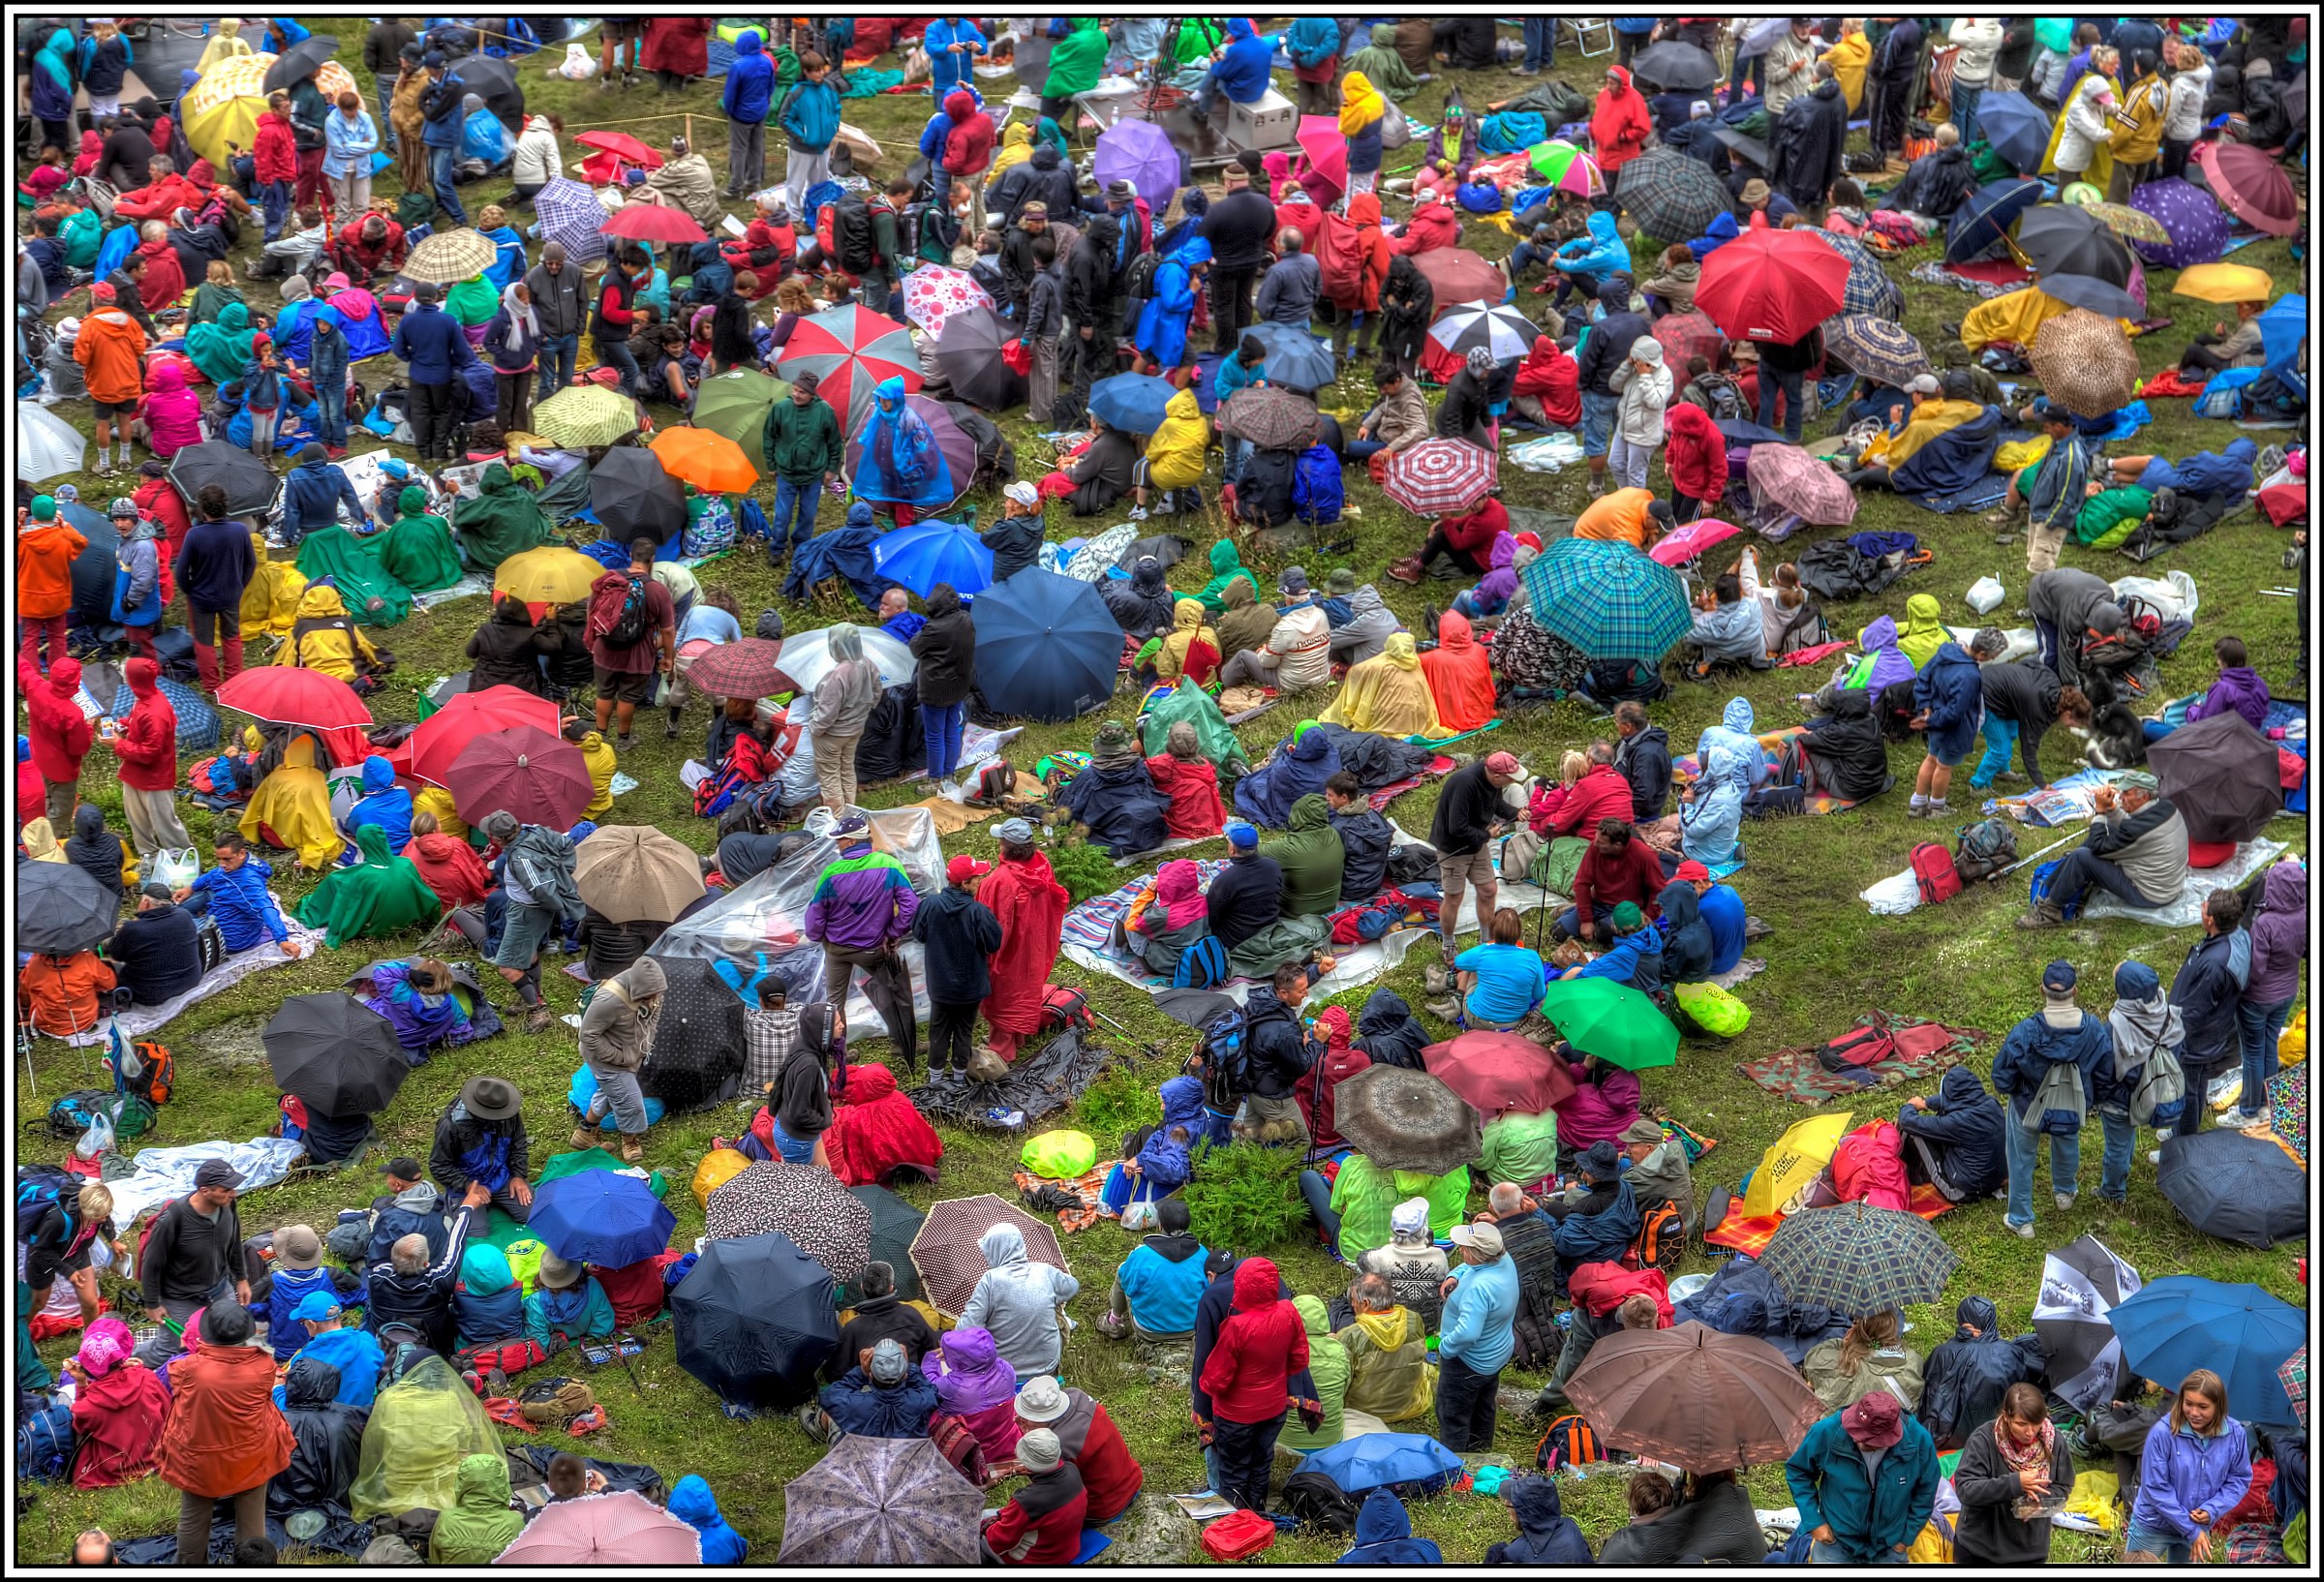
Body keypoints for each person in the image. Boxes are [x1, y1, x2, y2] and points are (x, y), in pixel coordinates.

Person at [158, 1304, 294, 1566]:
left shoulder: (189, 1368)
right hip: (251, 1452)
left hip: (199, 1458)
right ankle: (252, 1563)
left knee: (194, 1516)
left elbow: (175, 1376)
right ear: (246, 1332)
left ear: (208, 1334)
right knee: (252, 1513)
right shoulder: (263, 1365)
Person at [1990, 959, 2111, 1236]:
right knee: (2067, 1142)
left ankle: (2021, 1220)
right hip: (2071, 1103)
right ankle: (2065, 1193)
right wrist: (2091, 1099)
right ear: (2075, 991)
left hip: (2028, 1104)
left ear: (2041, 990)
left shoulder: (2026, 1031)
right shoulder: (2093, 1029)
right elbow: (2105, 1070)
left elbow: (2002, 1074)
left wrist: (2015, 1089)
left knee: (2021, 1158)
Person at [1198, 1256, 1316, 1511]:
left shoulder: (1236, 1326)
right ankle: (1258, 1513)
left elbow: (1216, 1379)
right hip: (1273, 1408)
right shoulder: (1289, 1311)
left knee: (1234, 1470)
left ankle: (1237, 1525)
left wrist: (1204, 1389)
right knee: (1262, 1462)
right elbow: (1299, 1359)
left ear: (1241, 1286)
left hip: (1236, 1415)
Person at [1786, 1390, 1941, 1567]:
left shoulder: (1918, 1441)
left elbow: (1927, 1490)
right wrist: (1813, 1521)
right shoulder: (1827, 1431)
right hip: (1836, 1543)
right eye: (1855, 1432)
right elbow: (1798, 1471)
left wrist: (1905, 1539)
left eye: (1868, 1441)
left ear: (1890, 1437)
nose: (1859, 1441)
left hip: (1889, 1546)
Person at [2016, 784, 2188, 928]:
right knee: (2106, 834)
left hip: (2150, 895)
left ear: (2143, 797)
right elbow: (2129, 827)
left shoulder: (2135, 831)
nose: (2121, 798)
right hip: (2170, 884)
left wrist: (2100, 811)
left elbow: (2098, 845)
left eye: (2126, 794)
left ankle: (2050, 913)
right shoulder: (2165, 807)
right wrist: (2111, 808)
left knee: (2082, 858)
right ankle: (2068, 871)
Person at [2125, 1369, 2251, 1563]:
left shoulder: (2235, 1434)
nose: (2194, 1412)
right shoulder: (2162, 1433)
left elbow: (2239, 1479)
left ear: (2219, 1406)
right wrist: (2191, 1530)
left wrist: (2212, 1509)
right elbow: (2155, 1488)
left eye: (2203, 1406)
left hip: (2197, 1527)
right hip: (2153, 1524)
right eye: (2189, 1403)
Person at [976, 820, 1070, 1068]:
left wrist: (985, 954)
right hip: (1035, 942)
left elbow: (993, 925)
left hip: (1011, 949)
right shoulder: (1041, 865)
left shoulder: (1000, 881)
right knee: (1026, 988)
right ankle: (1019, 1036)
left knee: (1005, 994)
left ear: (1006, 845)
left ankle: (1001, 1050)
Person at [136, 1160, 250, 1364]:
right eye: (226, 1189)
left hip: (220, 1288)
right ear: (205, 1191)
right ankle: (125, 1361)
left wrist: (241, 1278)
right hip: (180, 1298)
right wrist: (152, 1303)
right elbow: (151, 1265)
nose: (233, 1193)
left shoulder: (228, 1206)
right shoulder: (173, 1218)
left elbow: (234, 1243)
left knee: (229, 1339)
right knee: (170, 1351)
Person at [363, 1179, 489, 1354]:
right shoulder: (439, 1281)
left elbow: (373, 1252)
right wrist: (466, 1208)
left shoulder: (377, 1278)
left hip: (385, 1348)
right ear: (426, 1263)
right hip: (435, 1350)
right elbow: (455, 1246)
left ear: (392, 1258)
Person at [916, 846, 1005, 1076]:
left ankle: (935, 1080)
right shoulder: (978, 912)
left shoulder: (929, 905)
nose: (981, 881)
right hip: (970, 986)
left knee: (938, 1031)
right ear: (965, 884)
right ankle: (958, 1079)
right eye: (977, 878)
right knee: (964, 1030)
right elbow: (993, 943)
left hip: (940, 985)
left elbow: (919, 933)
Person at [1432, 1220, 1519, 1453]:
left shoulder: (1480, 1288)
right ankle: (1480, 1451)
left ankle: (1455, 1464)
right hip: (1495, 1353)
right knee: (1483, 1407)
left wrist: (1445, 1347)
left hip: (1467, 1361)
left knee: (1453, 1413)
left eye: (1465, 1248)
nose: (1460, 1250)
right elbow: (1470, 1267)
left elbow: (1468, 1333)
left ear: (1478, 1254)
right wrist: (1454, 1274)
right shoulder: (1503, 1260)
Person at [586, 539, 678, 749]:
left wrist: (592, 641)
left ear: (630, 556)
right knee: (627, 696)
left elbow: (591, 612)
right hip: (638, 654)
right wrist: (669, 657)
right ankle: (623, 739)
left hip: (605, 649)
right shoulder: (657, 590)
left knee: (604, 692)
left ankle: (600, 735)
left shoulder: (609, 580)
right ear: (652, 560)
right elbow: (668, 630)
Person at [2234, 862, 2305, 1129]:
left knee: (2252, 1053)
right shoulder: (2305, 913)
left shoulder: (2264, 924)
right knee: (2269, 1046)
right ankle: (2268, 1105)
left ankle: (2249, 1110)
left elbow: (2256, 968)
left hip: (2258, 998)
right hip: (2286, 993)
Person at [1015, 1376, 1142, 1524]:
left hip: (1104, 1508)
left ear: (1041, 1418)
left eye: (1025, 1417)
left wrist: (1030, 1441)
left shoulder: (1057, 1444)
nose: (1019, 1419)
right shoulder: (1076, 1395)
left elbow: (1048, 1487)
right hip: (1132, 1479)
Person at [1429, 752, 1520, 954]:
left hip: (1478, 844)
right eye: (1510, 777)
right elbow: (1457, 827)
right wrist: (1486, 834)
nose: (1513, 781)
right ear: (1497, 776)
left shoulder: (1492, 782)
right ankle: (1449, 944)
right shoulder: (1465, 784)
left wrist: (1517, 813)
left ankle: (1487, 942)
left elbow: (1497, 805)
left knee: (1489, 890)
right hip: (1454, 847)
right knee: (1454, 897)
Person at [961, 1224, 1079, 1378]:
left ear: (994, 1251)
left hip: (1005, 1373)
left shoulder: (989, 1280)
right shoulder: (1044, 1271)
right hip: (1048, 1367)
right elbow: (1072, 1286)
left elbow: (968, 1328)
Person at [575, 958, 661, 1164]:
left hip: (631, 1053)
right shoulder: (608, 1000)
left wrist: (646, 1042)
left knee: (611, 1092)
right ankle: (630, 1139)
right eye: (650, 995)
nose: (655, 998)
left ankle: (585, 1134)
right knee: (630, 1102)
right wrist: (618, 1057)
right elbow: (587, 1036)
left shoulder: (654, 990)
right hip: (606, 1058)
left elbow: (653, 1017)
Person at [387, 281, 474, 463]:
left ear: (415, 298)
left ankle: (424, 453)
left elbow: (397, 349)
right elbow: (462, 351)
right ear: (436, 298)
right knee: (442, 412)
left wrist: (411, 357)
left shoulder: (408, 321)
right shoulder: (448, 321)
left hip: (418, 374)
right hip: (442, 375)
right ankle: (439, 452)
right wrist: (451, 362)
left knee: (420, 413)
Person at [430, 1076, 534, 1226]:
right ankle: (455, 1206)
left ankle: (496, 1201)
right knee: (473, 1237)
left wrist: (518, 1175)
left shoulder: (508, 1113)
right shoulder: (450, 1126)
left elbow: (518, 1143)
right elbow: (439, 1165)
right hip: (466, 1187)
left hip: (501, 1177)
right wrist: (467, 1184)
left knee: (534, 1215)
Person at [1898, 1065, 2008, 1203]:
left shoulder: (1956, 1123)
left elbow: (1908, 1121)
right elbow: (1953, 1100)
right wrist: (1926, 1103)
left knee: (1915, 1132)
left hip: (1963, 1192)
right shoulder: (1992, 1104)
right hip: (1997, 1180)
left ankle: (1906, 1173)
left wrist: (1910, 1106)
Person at [1105, 1197, 1208, 1341]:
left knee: (1124, 1270)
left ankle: (1114, 1322)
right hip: (1192, 1329)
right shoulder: (1202, 1254)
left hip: (1149, 1331)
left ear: (1160, 1225)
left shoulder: (1142, 1255)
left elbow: (1129, 1286)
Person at [981, 1427, 1086, 1565]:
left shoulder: (1026, 1502)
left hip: (1038, 1559)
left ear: (1029, 1466)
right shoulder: (1072, 1470)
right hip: (1068, 1549)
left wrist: (986, 1527)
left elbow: (999, 1542)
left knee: (979, 1526)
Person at [922, 1325, 1022, 1461]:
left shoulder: (950, 1386)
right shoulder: (1006, 1370)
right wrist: (957, 1355)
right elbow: (985, 1359)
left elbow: (927, 1385)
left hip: (968, 1452)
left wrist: (932, 1359)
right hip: (1005, 1443)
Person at [826, 1263, 939, 1383]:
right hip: (912, 1385)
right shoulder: (911, 1314)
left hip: (870, 1393)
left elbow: (836, 1374)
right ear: (891, 1287)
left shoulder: (852, 1328)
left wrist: (864, 1373)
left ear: (861, 1287)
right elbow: (933, 1351)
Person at [1806, 1310, 1925, 1413]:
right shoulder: (1913, 1360)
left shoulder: (1848, 1363)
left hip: (1850, 1434)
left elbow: (1812, 1360)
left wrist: (1844, 1343)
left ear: (1859, 1330)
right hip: (1895, 1433)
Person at [1450, 909, 1547, 1030]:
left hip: (1477, 1019)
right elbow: (1539, 995)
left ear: (1492, 930)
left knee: (1473, 967)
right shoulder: (1533, 957)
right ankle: (1449, 983)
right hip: (1513, 1023)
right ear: (1518, 932)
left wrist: (1487, 946)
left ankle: (1457, 996)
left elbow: (1459, 961)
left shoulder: (1484, 952)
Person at [428, 1454, 524, 1566]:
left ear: (461, 1484)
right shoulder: (515, 1522)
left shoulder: (446, 1519)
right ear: (501, 1483)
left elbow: (434, 1559)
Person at [1486, 1476, 1595, 1564]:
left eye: (1510, 1503)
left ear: (1524, 1511)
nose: (1506, 1504)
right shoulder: (1570, 1527)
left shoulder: (1516, 1553)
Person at [524, 1253, 615, 1353]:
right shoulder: (592, 1284)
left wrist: (562, 1347)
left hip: (557, 1349)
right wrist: (586, 1342)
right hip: (587, 1342)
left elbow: (539, 1343)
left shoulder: (535, 1302)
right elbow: (603, 1326)